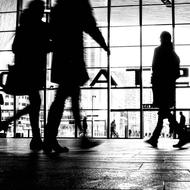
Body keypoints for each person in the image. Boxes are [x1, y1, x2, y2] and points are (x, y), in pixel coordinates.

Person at [43, 0, 110, 153]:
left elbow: (52, 32)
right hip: (73, 59)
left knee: (68, 98)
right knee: (66, 98)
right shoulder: (80, 4)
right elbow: (91, 27)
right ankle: (57, 139)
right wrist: (104, 45)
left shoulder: (59, 7)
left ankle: (56, 138)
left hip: (62, 58)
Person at [0, 0, 51, 151]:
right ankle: (32, 136)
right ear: (38, 11)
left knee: (35, 103)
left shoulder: (24, 27)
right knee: (36, 102)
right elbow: (49, 44)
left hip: (25, 70)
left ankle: (35, 138)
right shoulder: (41, 27)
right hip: (34, 70)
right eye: (42, 9)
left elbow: (16, 48)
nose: (43, 12)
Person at [145, 31, 189, 148]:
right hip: (168, 87)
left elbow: (154, 67)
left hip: (160, 86)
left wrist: (155, 81)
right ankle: (154, 138)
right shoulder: (174, 54)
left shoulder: (158, 51)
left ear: (161, 39)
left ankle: (183, 135)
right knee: (163, 113)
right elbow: (176, 73)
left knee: (165, 113)